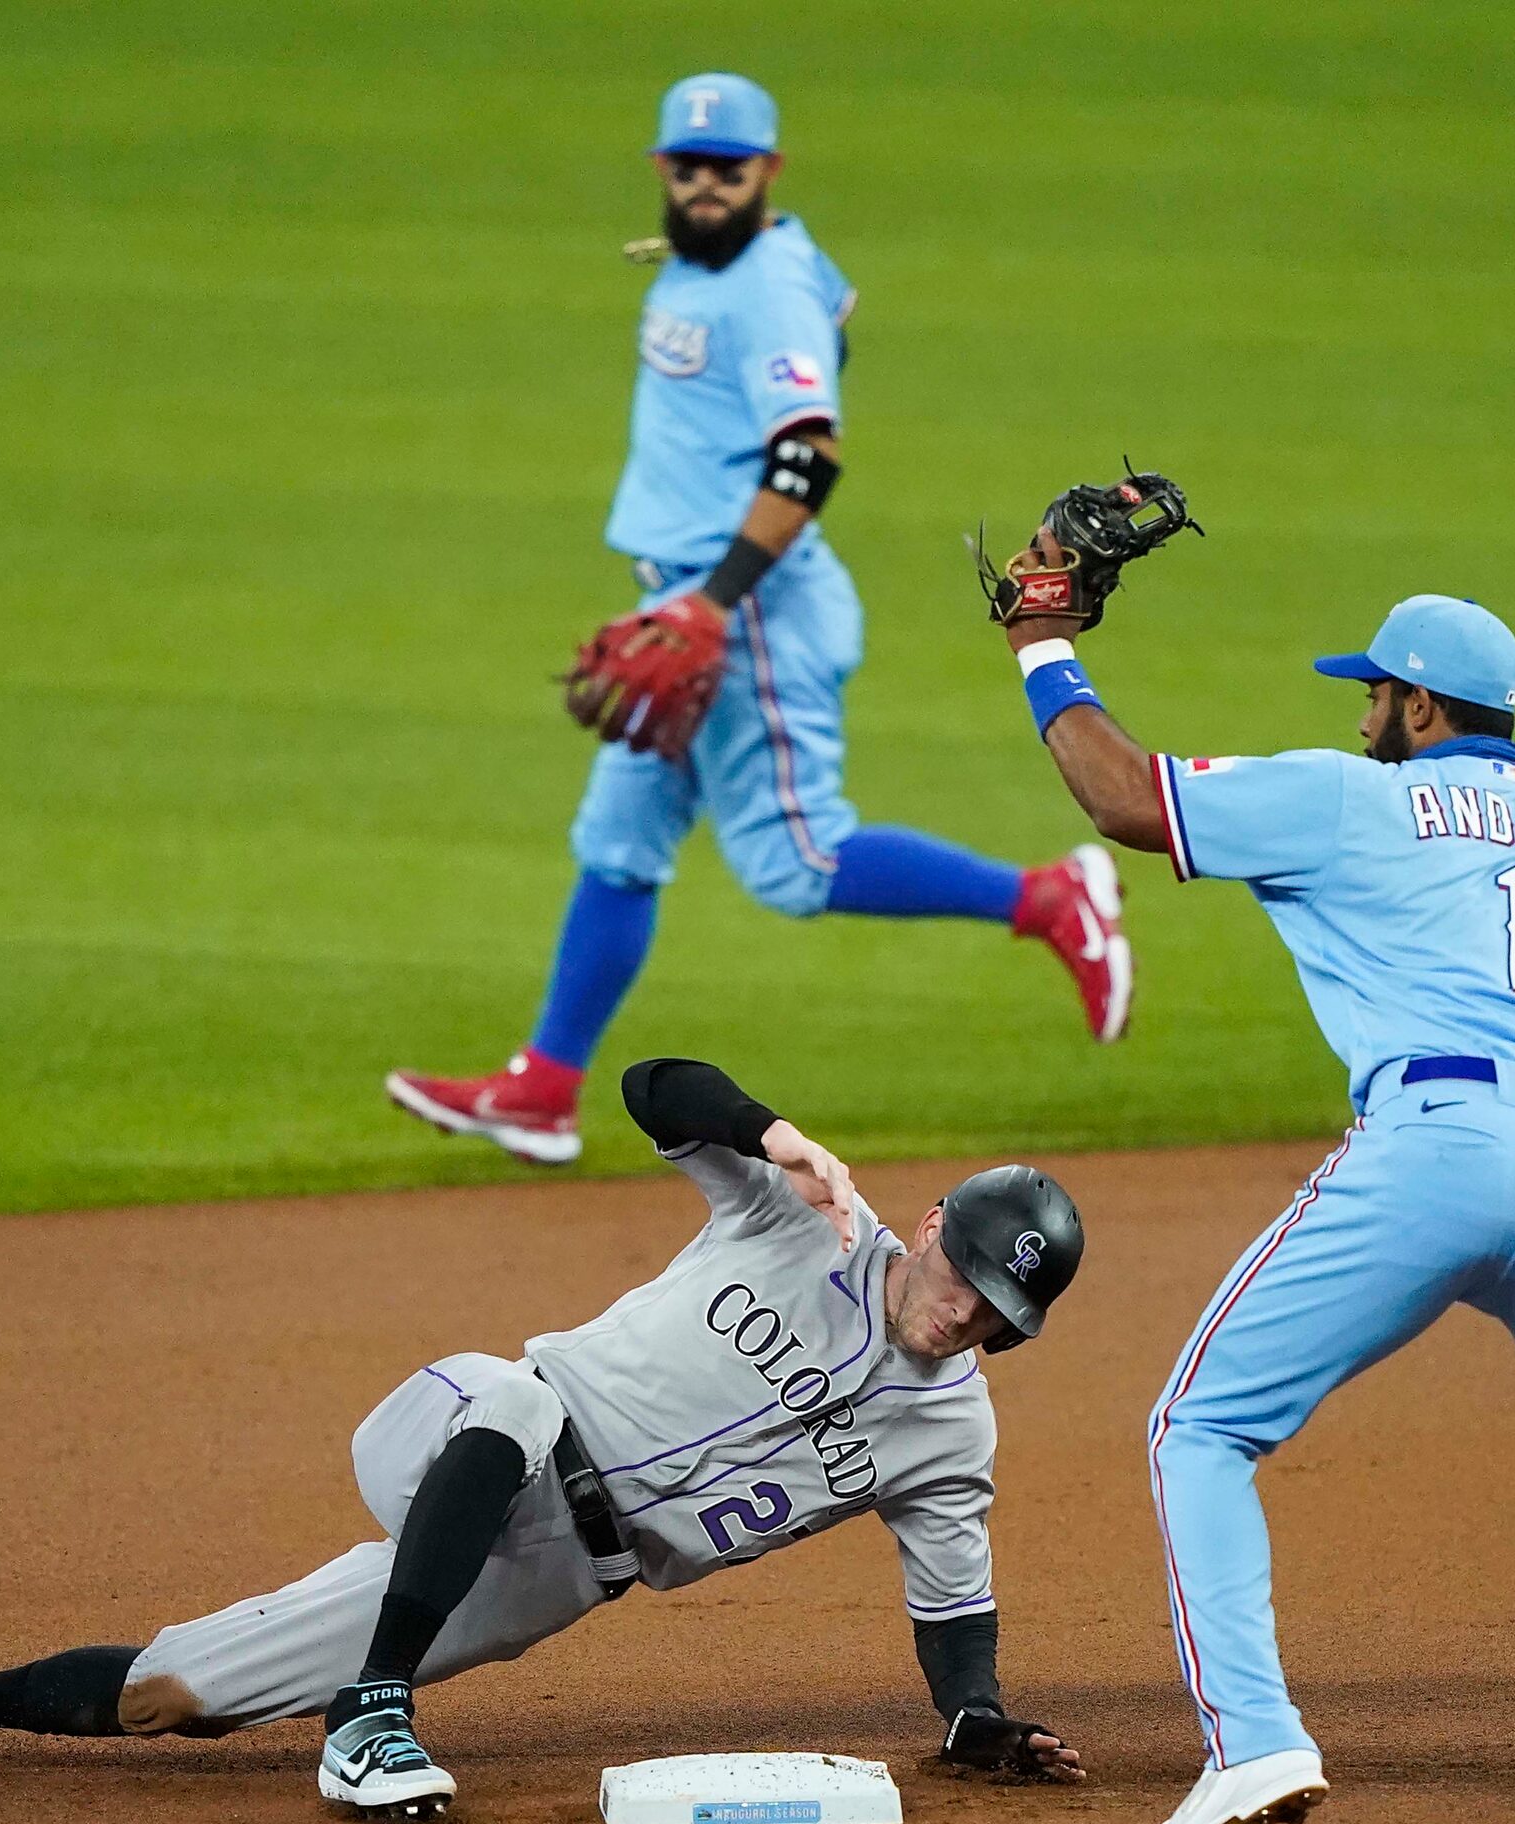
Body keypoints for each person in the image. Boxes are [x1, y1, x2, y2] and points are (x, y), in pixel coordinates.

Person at [989, 564, 1515, 1824]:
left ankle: (1252, 1742)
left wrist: (1041, 644)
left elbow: (1127, 796)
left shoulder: (1352, 798)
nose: (1362, 714)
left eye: (1373, 693)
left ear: (1418, 702)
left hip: (1432, 1151)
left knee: (1202, 1425)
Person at [0, 1058, 1089, 1819]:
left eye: (998, 1306)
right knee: (522, 1401)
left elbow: (953, 1604)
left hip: (550, 1572)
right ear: (930, 1225)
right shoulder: (793, 1222)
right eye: (965, 1268)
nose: (966, 1306)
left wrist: (974, 1717)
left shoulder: (949, 1436)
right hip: (470, 1424)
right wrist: (775, 1133)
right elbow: (651, 1087)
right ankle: (372, 1710)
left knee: (176, 1693)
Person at [385, 73, 1131, 1167]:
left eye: (727, 170)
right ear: (660, 172)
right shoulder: (733, 263)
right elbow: (839, 310)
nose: (703, 188)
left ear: (765, 172)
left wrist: (710, 601)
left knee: (795, 862)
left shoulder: (763, 287)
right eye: (686, 170)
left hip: (747, 612)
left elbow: (806, 453)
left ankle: (1051, 898)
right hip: (684, 601)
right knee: (620, 844)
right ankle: (542, 1088)